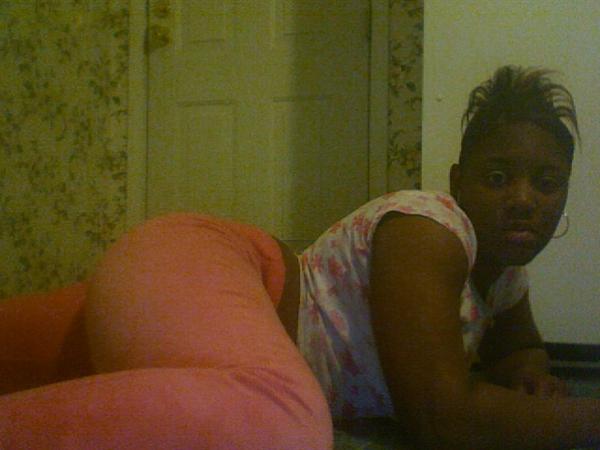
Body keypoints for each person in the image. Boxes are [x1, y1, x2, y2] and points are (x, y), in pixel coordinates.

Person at [1, 65, 599, 449]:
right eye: (498, 177)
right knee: (281, 424)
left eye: (547, 183)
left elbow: (518, 346)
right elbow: (441, 417)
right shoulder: (431, 229)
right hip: (214, 265)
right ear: (457, 181)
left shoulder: (505, 277)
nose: (524, 199)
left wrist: (526, 372)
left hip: (177, 301)